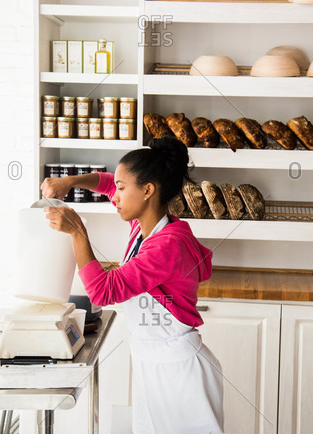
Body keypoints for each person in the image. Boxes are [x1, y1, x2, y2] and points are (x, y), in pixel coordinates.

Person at [40, 137, 224, 434]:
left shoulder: (168, 245)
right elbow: (108, 183)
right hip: (152, 363)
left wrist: (77, 231)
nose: (115, 196)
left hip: (178, 373)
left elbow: (102, 291)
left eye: (124, 190)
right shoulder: (146, 226)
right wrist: (71, 181)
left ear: (147, 190)